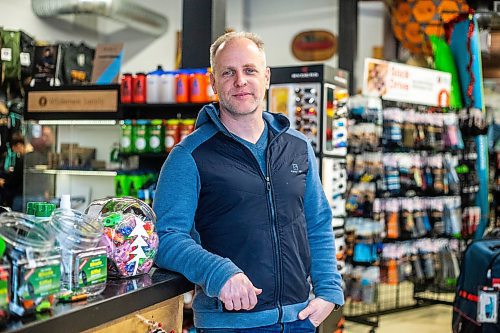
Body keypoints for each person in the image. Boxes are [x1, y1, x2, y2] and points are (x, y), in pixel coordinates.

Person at [153, 31, 344, 332]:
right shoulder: (188, 156)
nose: (240, 81)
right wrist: (217, 272)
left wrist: (329, 289)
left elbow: (317, 222)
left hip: (301, 319)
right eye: (228, 72)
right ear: (213, 82)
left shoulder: (298, 146)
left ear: (266, 77)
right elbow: (165, 237)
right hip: (229, 325)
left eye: (250, 70)